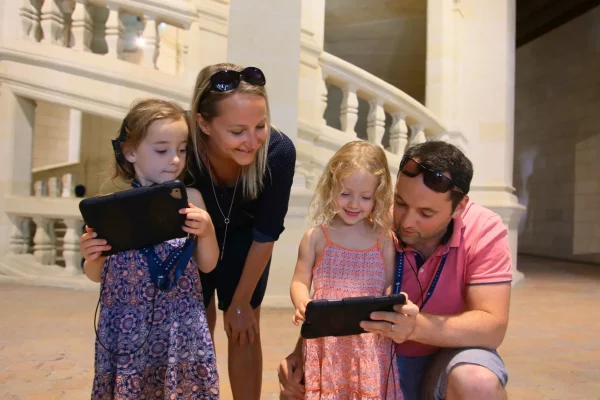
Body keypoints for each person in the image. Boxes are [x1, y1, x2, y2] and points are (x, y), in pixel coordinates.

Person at [279, 141, 511, 400]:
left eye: (426, 212)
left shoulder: (484, 229)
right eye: (400, 202)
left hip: (449, 354)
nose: (407, 221)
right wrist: (301, 352)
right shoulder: (372, 219)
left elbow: (493, 328)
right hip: (383, 359)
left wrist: (415, 327)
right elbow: (335, 288)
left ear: (459, 207)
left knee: (477, 383)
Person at [79, 98, 220, 399]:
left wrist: (206, 232)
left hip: (179, 326)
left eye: (181, 149)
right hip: (127, 330)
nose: (175, 159)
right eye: (161, 150)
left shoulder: (190, 197)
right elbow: (95, 274)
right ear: (130, 151)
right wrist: (91, 255)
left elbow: (208, 265)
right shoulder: (111, 209)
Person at [188, 63, 296, 399]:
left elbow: (266, 234)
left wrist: (240, 303)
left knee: (244, 329)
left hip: (246, 241)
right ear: (203, 124)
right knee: (196, 333)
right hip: (192, 239)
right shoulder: (182, 146)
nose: (252, 141)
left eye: (260, 126)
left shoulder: (278, 152)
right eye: (237, 132)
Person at [290, 141, 402, 399]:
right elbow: (299, 280)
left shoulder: (383, 239)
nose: (354, 204)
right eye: (345, 193)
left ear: (378, 196)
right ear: (331, 189)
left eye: (365, 197)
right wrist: (302, 301)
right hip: (327, 342)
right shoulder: (317, 237)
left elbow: (388, 285)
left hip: (369, 344)